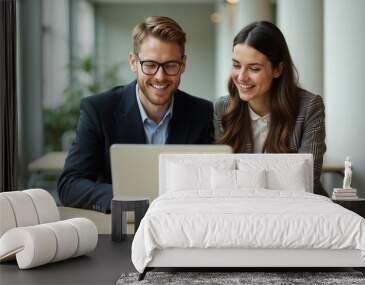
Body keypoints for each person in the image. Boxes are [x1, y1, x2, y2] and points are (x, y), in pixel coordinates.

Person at [58, 16, 214, 213]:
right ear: (134, 62)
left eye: (170, 65)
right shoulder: (98, 110)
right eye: (150, 64)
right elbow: (70, 185)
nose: (160, 76)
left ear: (183, 65)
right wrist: (125, 198)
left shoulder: (203, 113)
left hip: (182, 224)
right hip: (121, 227)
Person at [214, 21, 327, 196]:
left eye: (254, 68)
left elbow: (307, 178)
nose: (242, 77)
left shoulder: (309, 107)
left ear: (278, 69)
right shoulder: (223, 108)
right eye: (236, 65)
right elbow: (222, 177)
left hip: (298, 208)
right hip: (240, 208)